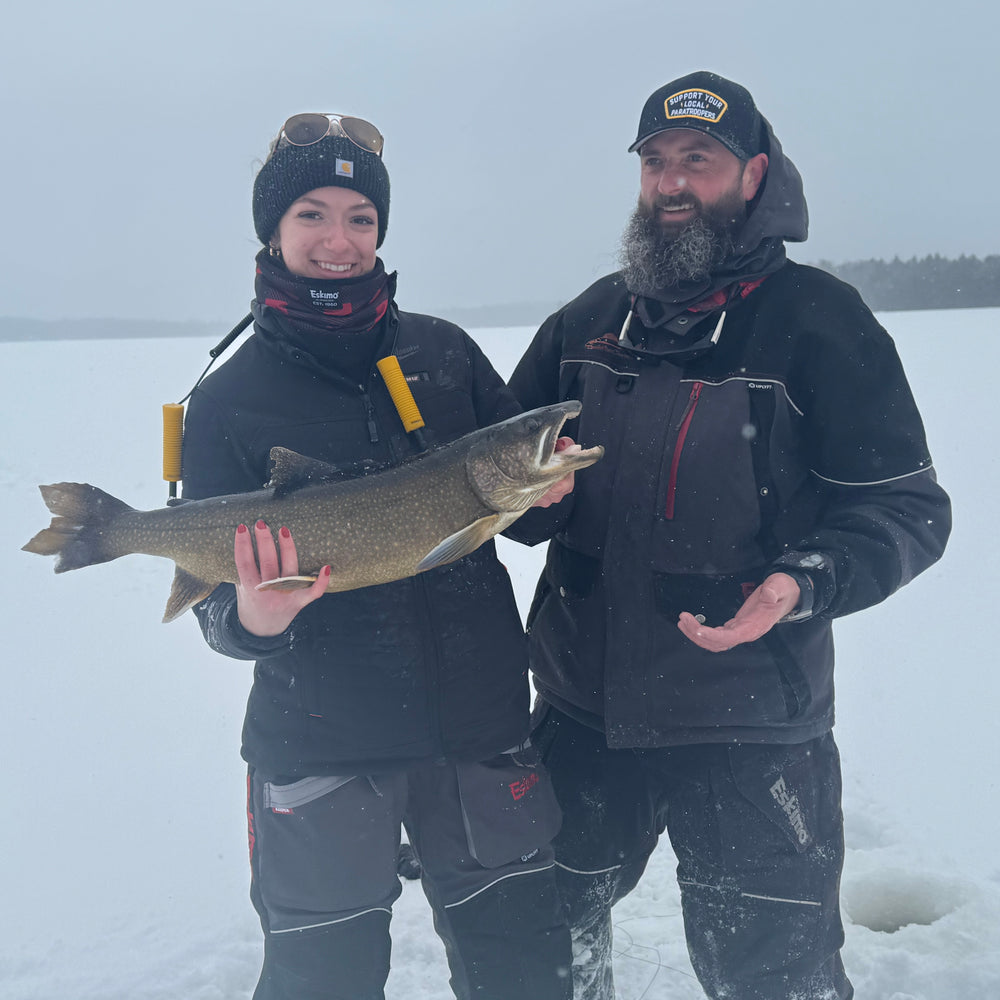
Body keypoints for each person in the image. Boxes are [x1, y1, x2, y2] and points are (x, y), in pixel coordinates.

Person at [504, 71, 951, 1000]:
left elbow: (905, 509)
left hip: (752, 723)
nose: (671, 184)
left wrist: (803, 581)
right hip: (582, 711)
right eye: (655, 163)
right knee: (537, 948)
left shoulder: (819, 324)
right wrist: (529, 506)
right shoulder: (587, 324)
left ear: (752, 175)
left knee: (773, 977)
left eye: (696, 163)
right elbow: (502, 479)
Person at [180, 112, 573, 1000]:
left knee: (526, 974)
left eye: (360, 218)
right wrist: (252, 619)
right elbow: (213, 604)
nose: (338, 239)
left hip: (480, 731)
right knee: (322, 980)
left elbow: (519, 516)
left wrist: (550, 501)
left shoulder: (444, 352)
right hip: (320, 745)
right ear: (273, 232)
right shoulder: (227, 398)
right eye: (312, 214)